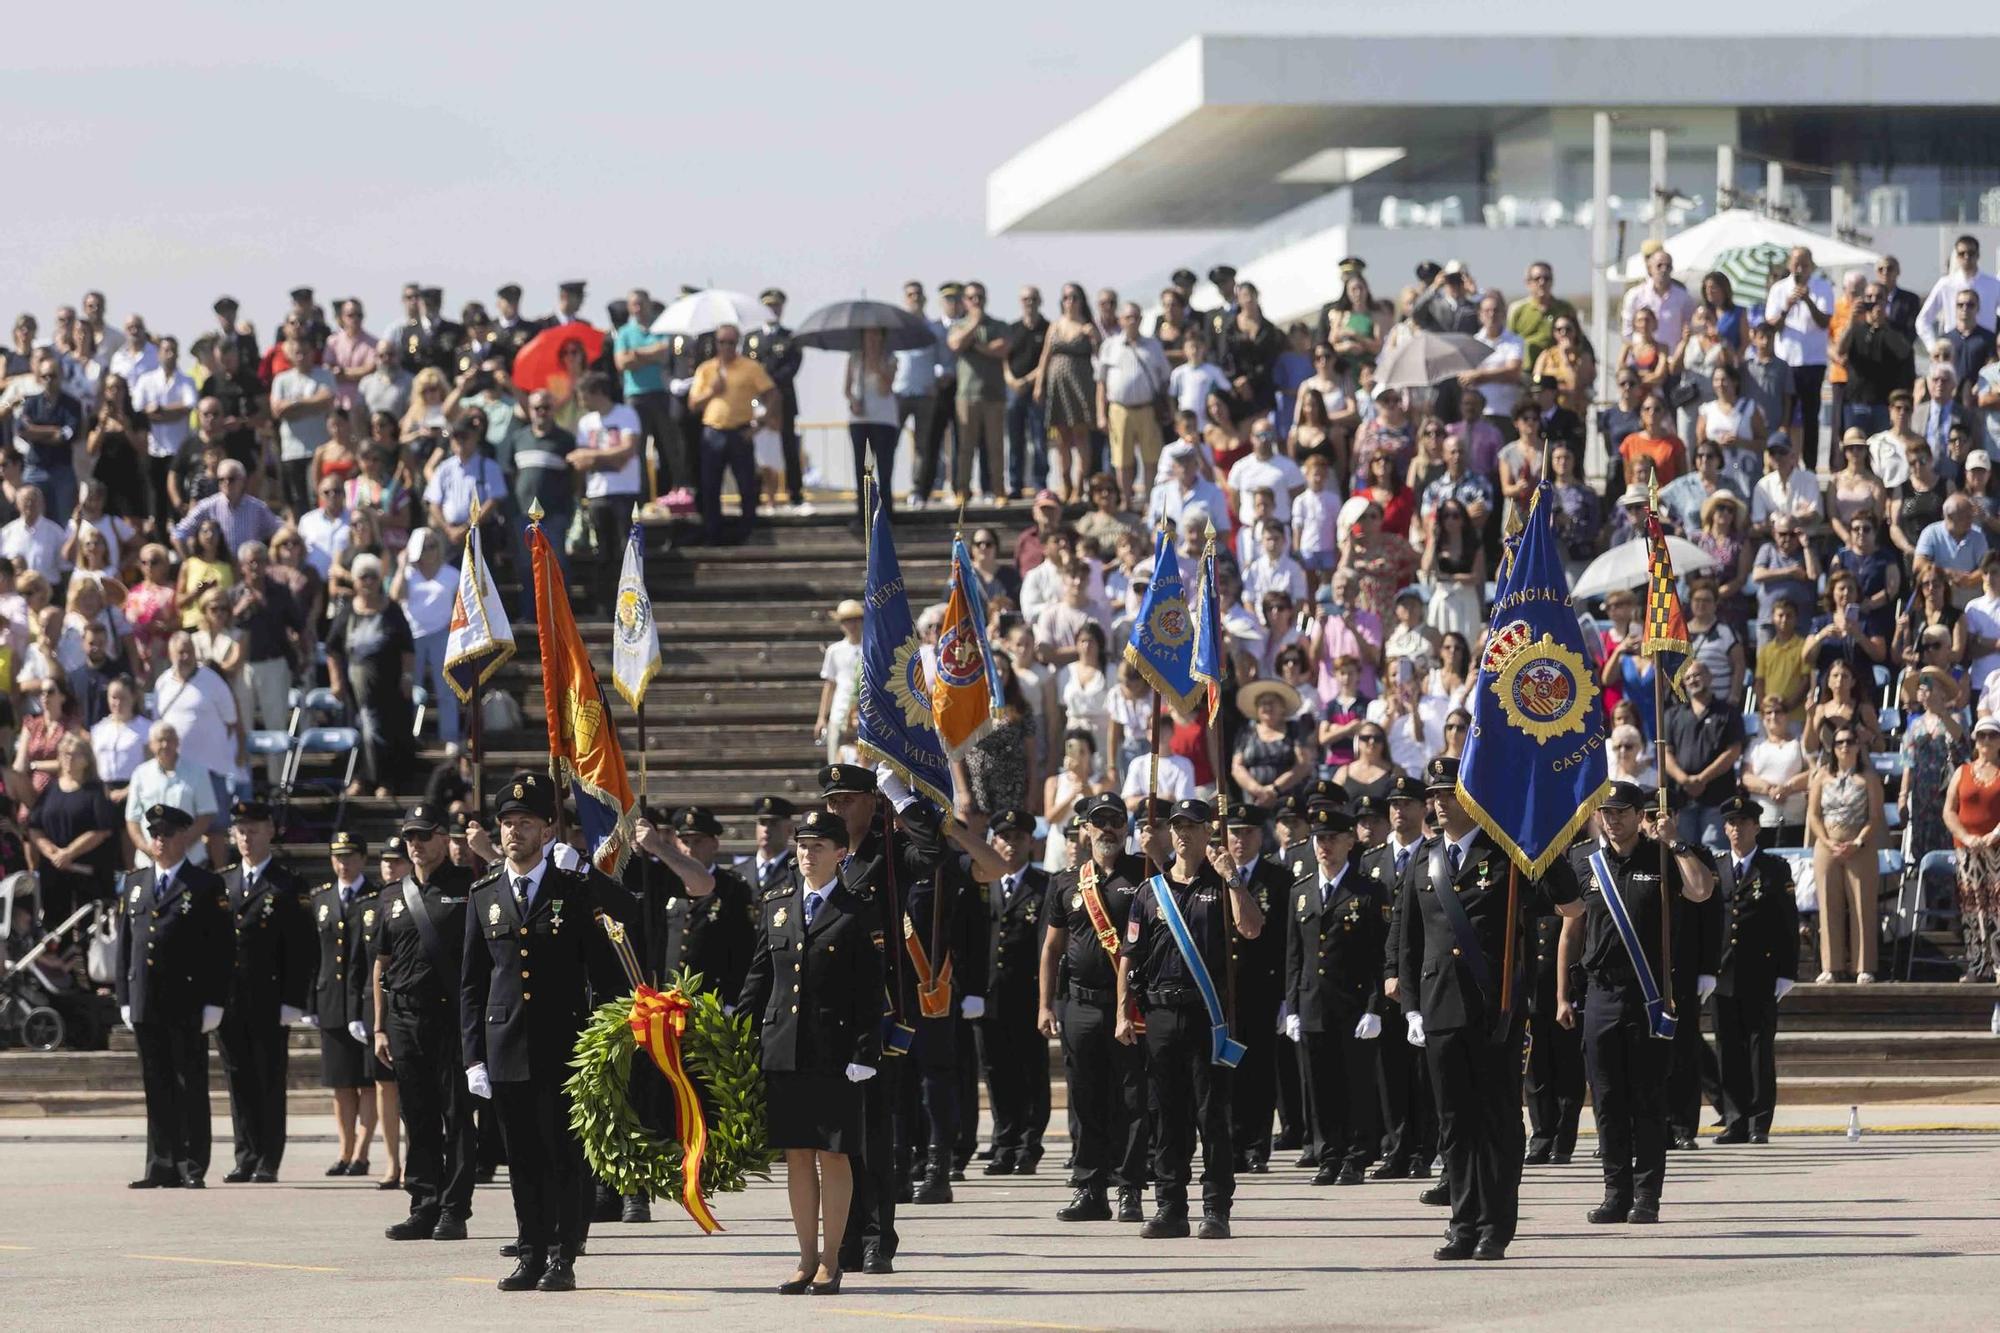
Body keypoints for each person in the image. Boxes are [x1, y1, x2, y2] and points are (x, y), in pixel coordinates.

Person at [1393, 756, 1583, 1261]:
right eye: (1432, 796)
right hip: (1438, 1008)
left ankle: (1496, 1225)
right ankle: (1462, 1223)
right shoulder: (1424, 858)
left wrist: (1535, 837)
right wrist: (1411, 1005)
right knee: (1454, 1122)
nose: (1436, 804)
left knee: (1497, 1119)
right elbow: (1407, 940)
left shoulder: (1508, 855)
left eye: (1447, 794)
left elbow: (1569, 902)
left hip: (1494, 1009)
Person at [460, 772, 634, 1293]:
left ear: (547, 828)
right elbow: (472, 983)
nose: (515, 832)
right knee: (523, 1161)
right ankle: (530, 1253)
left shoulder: (573, 888)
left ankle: (563, 1256)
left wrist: (604, 1047)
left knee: (564, 1158)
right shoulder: (484, 893)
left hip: (565, 1045)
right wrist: (473, 1056)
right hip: (506, 1045)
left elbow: (612, 950)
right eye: (508, 823)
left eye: (526, 823)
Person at [1550, 782, 1715, 1224]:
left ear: (1639, 814)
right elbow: (1571, 927)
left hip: (1648, 994)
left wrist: (1674, 842)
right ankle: (1614, 1192)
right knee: (1606, 1099)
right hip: (1600, 991)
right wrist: (1563, 993)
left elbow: (1701, 891)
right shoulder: (1585, 860)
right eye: (1607, 811)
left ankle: (1647, 1196)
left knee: (1646, 1098)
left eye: (1622, 811)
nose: (1613, 819)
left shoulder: (1661, 856)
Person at [739, 807, 883, 1296]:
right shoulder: (778, 903)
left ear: (840, 853)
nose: (806, 853)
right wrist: (738, 1035)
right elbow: (759, 978)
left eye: (817, 846)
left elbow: (870, 989)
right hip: (784, 1048)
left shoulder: (857, 909)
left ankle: (831, 1258)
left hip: (836, 1052)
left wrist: (866, 1051)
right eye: (801, 845)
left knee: (834, 1156)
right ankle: (803, 1258)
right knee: (797, 1155)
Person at [1115, 798, 1266, 1240]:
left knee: (1211, 1114)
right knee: (1166, 1115)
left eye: (1191, 827)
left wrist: (1233, 879)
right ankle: (1170, 1207)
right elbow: (1130, 954)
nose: (1182, 834)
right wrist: (1124, 1010)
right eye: (1176, 827)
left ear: (1206, 835)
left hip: (1206, 1014)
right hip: (1160, 1014)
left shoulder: (1220, 886)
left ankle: (1216, 1208)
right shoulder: (1150, 891)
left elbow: (1252, 928)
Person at [373, 803, 479, 1243]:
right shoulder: (391, 895)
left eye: (423, 835)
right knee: (416, 1115)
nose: (415, 845)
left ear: (443, 838)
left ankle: (454, 1209)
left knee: (456, 1116)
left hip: (451, 1017)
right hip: (403, 1017)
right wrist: (379, 1026)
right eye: (409, 838)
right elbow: (381, 965)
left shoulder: (470, 886)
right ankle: (423, 1203)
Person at [1041, 793, 1149, 1221]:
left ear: (1126, 828)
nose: (1107, 829)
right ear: (1084, 829)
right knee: (1084, 1100)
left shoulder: (1143, 874)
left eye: (1115, 821)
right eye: (1098, 821)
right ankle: (1090, 1188)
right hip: (1079, 1006)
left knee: (1131, 1100)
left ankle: (1129, 1189)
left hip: (1130, 1008)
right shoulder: (1066, 881)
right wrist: (1044, 1006)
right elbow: (1051, 948)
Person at [115, 803, 231, 1188]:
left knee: (190, 1084)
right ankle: (160, 1163)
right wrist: (125, 997)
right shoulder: (135, 884)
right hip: (146, 998)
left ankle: (191, 1165)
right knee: (156, 1083)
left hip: (187, 999)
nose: (159, 841)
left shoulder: (205, 885)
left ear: (184, 837)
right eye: (155, 834)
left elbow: (220, 949)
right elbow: (125, 947)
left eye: (167, 834)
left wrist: (215, 1000)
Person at [1282, 803, 1388, 1185]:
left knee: (1356, 1084)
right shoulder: (1302, 892)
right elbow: (1294, 954)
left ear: (1348, 842)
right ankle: (1329, 1154)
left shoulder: (1368, 891)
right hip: (1312, 1003)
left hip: (1353, 1003)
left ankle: (1357, 1156)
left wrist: (1375, 1007)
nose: (1323, 846)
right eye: (1318, 839)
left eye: (1331, 838)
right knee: (1319, 1085)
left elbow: (1380, 955)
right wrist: (1291, 1006)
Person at [215, 799, 310, 1184]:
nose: (246, 838)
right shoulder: (223, 881)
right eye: (240, 831)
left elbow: (301, 948)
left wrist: (294, 999)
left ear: (270, 830)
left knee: (269, 1077)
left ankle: (269, 1156)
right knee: (237, 1079)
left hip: (270, 998)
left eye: (253, 830)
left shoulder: (288, 883)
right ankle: (245, 1154)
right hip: (230, 1000)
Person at [1710, 795, 1801, 1144]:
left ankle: (1758, 1122)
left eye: (1743, 823)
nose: (1736, 829)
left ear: (1756, 827)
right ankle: (1734, 1119)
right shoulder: (1716, 866)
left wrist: (1787, 971)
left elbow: (1787, 923)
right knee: (1727, 1047)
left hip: (1761, 970)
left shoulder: (1775, 868)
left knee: (1758, 1048)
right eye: (1731, 823)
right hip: (1722, 972)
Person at [978, 810, 1052, 1176]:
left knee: (1031, 1072)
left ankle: (1028, 1145)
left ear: (1031, 842)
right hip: (989, 996)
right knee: (996, 1072)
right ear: (993, 842)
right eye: (1004, 837)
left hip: (1027, 996)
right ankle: (1004, 1143)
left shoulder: (1045, 885)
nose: (1011, 844)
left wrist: (1047, 999)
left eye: (1019, 837)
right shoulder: (983, 882)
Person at [308, 832, 384, 1179]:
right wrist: (311, 1001)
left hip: (366, 1002)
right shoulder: (322, 898)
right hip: (332, 1001)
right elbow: (313, 957)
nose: (344, 864)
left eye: (351, 857)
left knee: (367, 1082)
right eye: (338, 857)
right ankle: (345, 1149)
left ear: (363, 859)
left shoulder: (375, 897)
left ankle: (363, 1152)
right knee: (340, 1082)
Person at [1808, 726, 1887, 983]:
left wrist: (1859, 841)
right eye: (1840, 742)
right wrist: (1827, 841)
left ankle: (1864, 966)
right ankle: (1831, 966)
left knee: (1862, 904)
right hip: (1828, 841)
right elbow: (1813, 814)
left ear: (1858, 746)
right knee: (1828, 905)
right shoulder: (1822, 776)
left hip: (1858, 843)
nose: (1845, 746)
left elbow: (1875, 816)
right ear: (1833, 747)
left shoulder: (1869, 778)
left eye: (1850, 741)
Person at [687, 324, 774, 544]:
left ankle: (748, 531)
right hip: (713, 432)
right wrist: (712, 391)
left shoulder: (750, 367)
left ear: (738, 343)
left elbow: (772, 394)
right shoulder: (706, 369)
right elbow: (693, 404)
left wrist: (759, 425)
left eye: (731, 342)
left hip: (740, 432)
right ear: (715, 344)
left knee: (746, 484)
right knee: (710, 485)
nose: (726, 347)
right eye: (722, 342)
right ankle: (712, 532)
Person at [1944, 717, 2000, 983]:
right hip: (1967, 850)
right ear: (1975, 741)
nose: (1986, 741)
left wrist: (1994, 835)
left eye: (1992, 736)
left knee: (1998, 908)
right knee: (1972, 906)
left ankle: (1999, 965)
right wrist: (1965, 836)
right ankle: (1978, 965)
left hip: (1997, 848)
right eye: (1982, 736)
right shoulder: (1962, 771)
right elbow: (1949, 810)